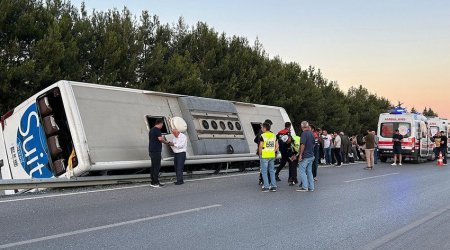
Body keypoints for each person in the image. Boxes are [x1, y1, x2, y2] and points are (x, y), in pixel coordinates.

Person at [149, 119, 170, 187]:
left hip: (151, 150)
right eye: (162, 125)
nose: (162, 126)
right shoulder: (157, 130)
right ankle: (156, 182)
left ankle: (152, 182)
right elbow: (160, 139)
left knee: (153, 166)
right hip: (156, 150)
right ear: (160, 123)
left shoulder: (151, 130)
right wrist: (166, 142)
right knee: (157, 167)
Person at [259, 122, 279, 192]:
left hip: (264, 155)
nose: (261, 129)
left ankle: (266, 187)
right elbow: (277, 146)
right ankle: (273, 186)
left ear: (265, 128)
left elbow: (260, 146)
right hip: (272, 155)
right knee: (271, 171)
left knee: (264, 171)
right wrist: (273, 151)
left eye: (262, 127)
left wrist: (260, 154)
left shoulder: (263, 136)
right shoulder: (274, 135)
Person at [296, 121, 315, 192]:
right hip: (311, 155)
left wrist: (300, 154)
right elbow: (313, 143)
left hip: (305, 156)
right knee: (309, 171)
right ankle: (311, 187)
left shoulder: (304, 133)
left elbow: (302, 144)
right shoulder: (311, 133)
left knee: (302, 171)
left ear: (302, 127)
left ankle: (304, 187)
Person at [255, 119, 273, 185]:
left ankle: (261, 179)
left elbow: (255, 140)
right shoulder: (270, 133)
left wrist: (259, 145)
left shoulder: (260, 132)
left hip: (261, 151)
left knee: (262, 167)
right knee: (268, 168)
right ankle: (267, 182)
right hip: (267, 152)